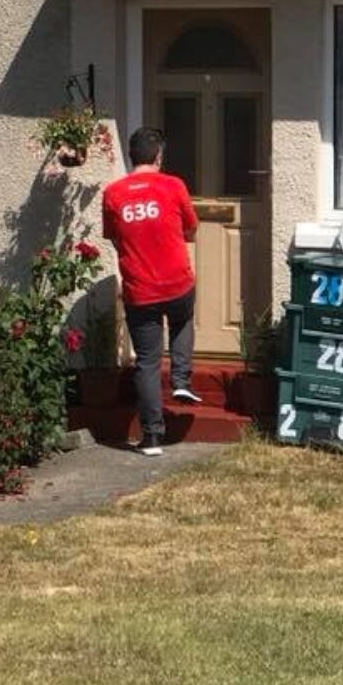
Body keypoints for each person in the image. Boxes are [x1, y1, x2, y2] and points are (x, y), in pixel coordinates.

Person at [102, 127, 200, 456]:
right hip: (176, 281)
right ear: (158, 156)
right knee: (183, 320)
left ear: (132, 156)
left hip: (139, 287)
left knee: (146, 361)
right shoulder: (173, 186)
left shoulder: (113, 193)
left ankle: (152, 437)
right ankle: (182, 381)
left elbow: (114, 237)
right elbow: (191, 227)